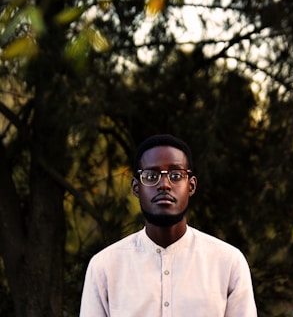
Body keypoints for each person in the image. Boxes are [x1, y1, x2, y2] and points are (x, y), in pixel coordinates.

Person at [79, 134, 257, 316]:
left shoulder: (228, 263)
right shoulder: (105, 267)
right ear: (136, 187)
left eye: (176, 175)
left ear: (191, 186)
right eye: (150, 175)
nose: (164, 185)